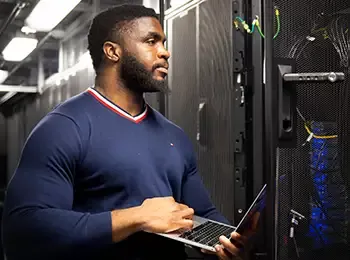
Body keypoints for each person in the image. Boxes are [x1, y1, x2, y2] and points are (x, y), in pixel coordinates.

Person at [2, 4, 254, 260]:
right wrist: (137, 217)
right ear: (113, 51)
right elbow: (24, 229)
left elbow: (201, 212)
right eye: (151, 41)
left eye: (163, 42)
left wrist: (228, 239)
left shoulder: (174, 136)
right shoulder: (63, 127)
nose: (165, 52)